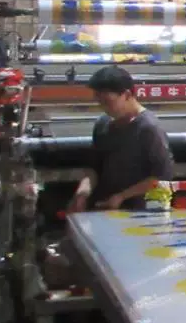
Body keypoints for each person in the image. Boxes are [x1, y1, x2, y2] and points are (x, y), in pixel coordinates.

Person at [69, 65, 175, 212]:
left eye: (108, 102)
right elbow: (94, 168)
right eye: (100, 102)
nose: (103, 108)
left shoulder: (149, 129)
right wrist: (82, 193)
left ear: (126, 95)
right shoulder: (103, 124)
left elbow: (161, 177)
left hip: (137, 213)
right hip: (104, 208)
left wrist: (122, 197)